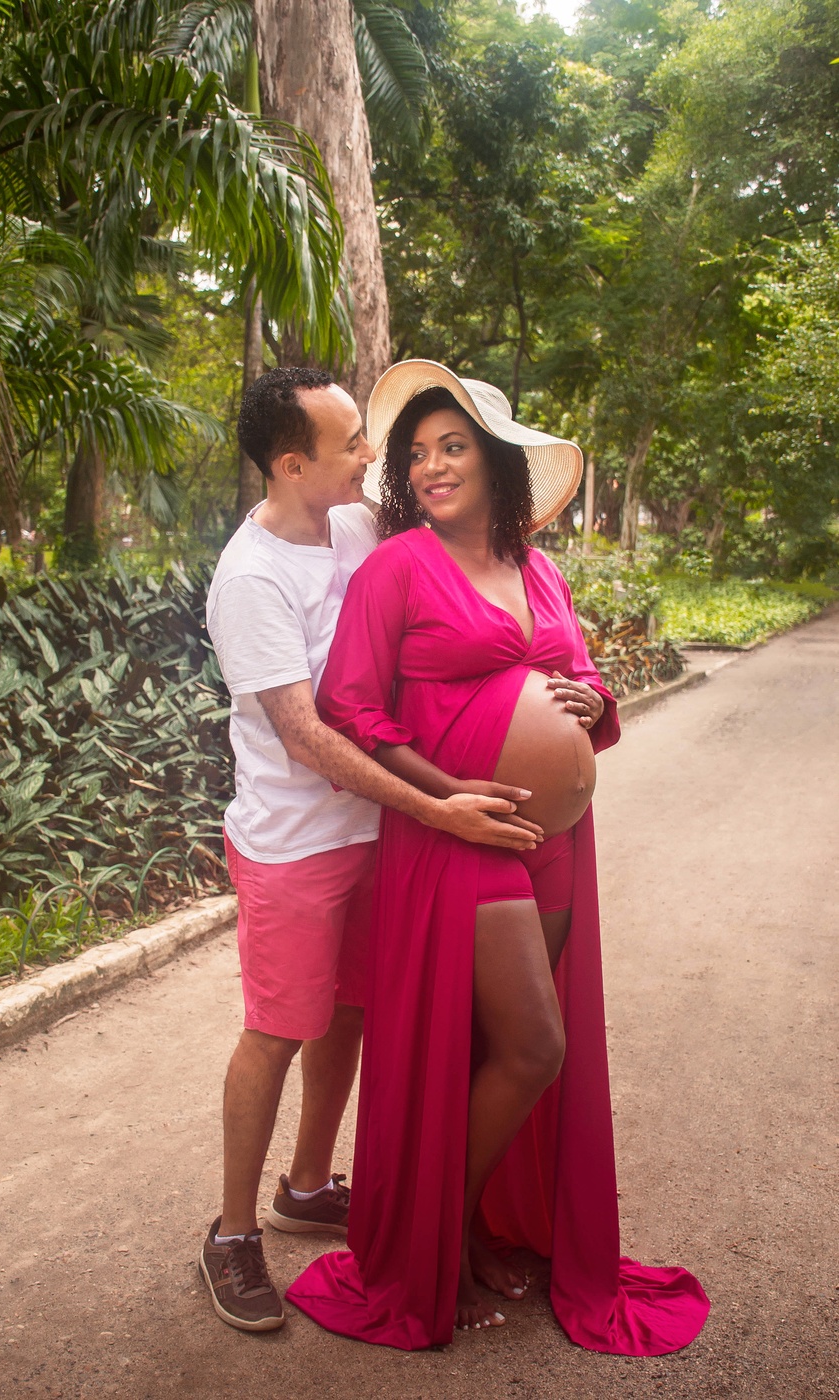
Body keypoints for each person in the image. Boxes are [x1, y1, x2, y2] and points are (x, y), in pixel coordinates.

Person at [288, 361, 710, 1352]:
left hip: (553, 841)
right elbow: (354, 710)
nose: (431, 467)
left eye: (453, 447)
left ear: (497, 462)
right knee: (535, 1045)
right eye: (417, 454)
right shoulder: (398, 567)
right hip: (457, 833)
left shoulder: (539, 568)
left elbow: (582, 675)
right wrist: (444, 800)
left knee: (493, 1047)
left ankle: (472, 1220)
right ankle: (440, 1237)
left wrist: (595, 702)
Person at [201, 366, 542, 1333]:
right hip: (297, 844)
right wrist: (439, 808)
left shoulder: (353, 525)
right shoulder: (251, 579)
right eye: (350, 442)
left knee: (349, 1016)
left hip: (377, 832)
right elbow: (307, 737)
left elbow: (464, 531)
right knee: (278, 1030)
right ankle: (232, 1234)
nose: (369, 456)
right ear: (291, 464)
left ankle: (307, 1186)